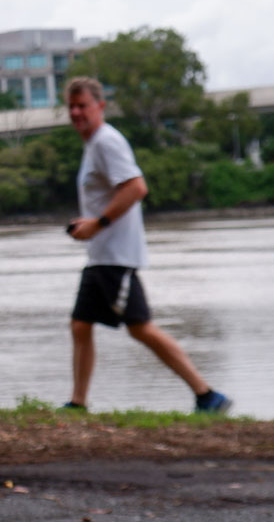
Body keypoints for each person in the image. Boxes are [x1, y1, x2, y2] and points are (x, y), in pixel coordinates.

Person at [62, 75, 231, 413]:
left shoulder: (107, 142)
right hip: (100, 257)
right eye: (72, 107)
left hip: (116, 257)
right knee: (81, 326)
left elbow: (136, 188)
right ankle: (78, 403)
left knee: (140, 328)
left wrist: (98, 223)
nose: (77, 113)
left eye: (83, 105)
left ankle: (207, 394)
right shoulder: (93, 144)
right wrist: (90, 224)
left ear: (100, 106)